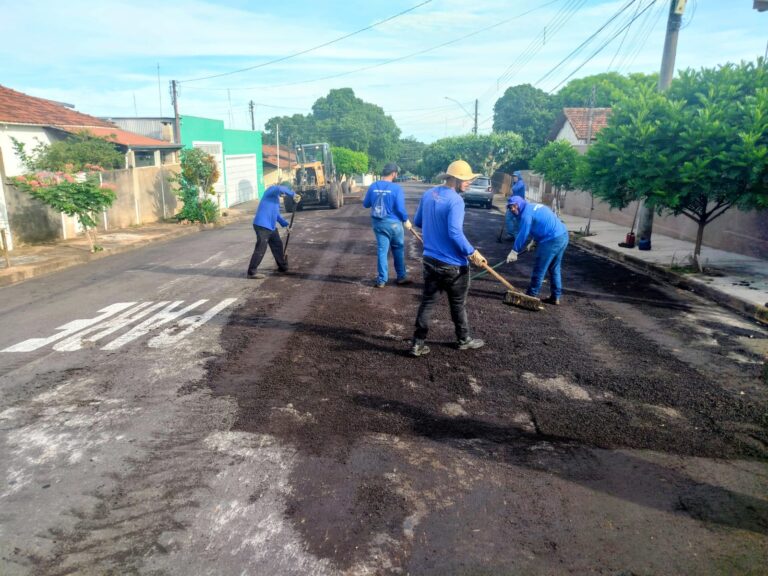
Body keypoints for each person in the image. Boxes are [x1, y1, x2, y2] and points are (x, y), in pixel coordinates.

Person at [410, 160, 488, 357]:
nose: (469, 182)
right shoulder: (456, 201)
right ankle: (463, 340)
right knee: (457, 304)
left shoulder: (429, 194)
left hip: (429, 260)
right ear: (455, 179)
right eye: (466, 179)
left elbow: (418, 221)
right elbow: (454, 233)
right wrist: (472, 252)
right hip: (453, 265)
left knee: (427, 302)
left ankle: (417, 343)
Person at [506, 196, 568, 305]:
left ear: (520, 204)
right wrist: (534, 240)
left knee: (540, 268)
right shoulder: (531, 207)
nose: (512, 209)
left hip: (551, 239)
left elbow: (523, 233)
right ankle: (555, 296)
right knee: (554, 268)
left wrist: (514, 251)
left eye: (514, 206)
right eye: (510, 207)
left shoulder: (526, 215)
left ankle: (531, 295)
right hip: (562, 235)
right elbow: (542, 223)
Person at [362, 163, 412, 288]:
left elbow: (366, 204)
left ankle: (382, 280)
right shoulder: (396, 189)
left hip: (379, 224)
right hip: (394, 224)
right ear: (394, 173)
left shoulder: (373, 186)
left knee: (382, 251)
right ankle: (401, 277)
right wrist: (406, 220)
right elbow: (400, 208)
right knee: (398, 249)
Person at [246, 183, 301, 279]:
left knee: (277, 245)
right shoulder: (270, 191)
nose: (284, 195)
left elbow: (277, 215)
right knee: (261, 248)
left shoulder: (276, 200)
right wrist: (293, 194)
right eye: (284, 192)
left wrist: (286, 224)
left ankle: (282, 267)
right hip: (262, 225)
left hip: (271, 227)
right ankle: (252, 272)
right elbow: (279, 188)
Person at [505, 170, 526, 240]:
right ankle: (511, 234)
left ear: (519, 177)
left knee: (515, 220)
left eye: (515, 176)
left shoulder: (520, 183)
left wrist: (512, 188)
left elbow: (513, 190)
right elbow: (512, 194)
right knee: (509, 218)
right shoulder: (515, 183)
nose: (514, 177)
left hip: (518, 205)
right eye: (513, 176)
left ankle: (515, 236)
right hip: (513, 204)